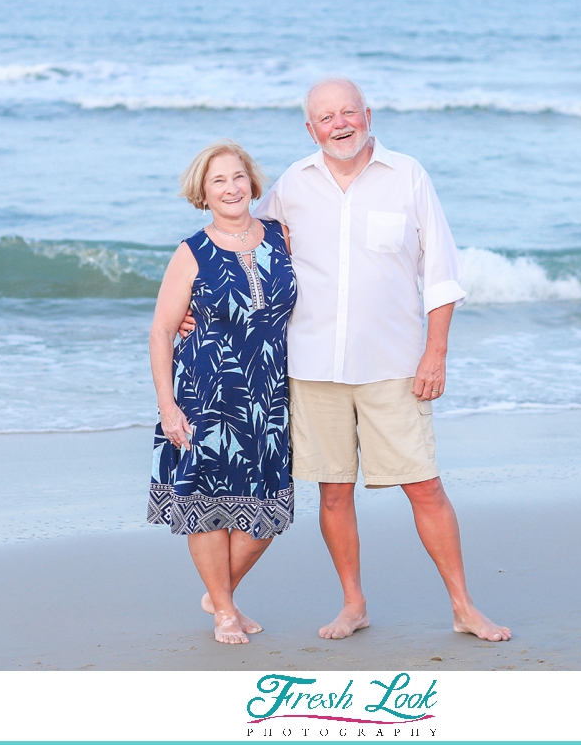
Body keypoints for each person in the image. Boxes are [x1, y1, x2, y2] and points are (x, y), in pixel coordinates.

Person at [187, 79, 510, 642]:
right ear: (310, 129)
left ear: (367, 115)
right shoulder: (292, 184)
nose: (339, 124)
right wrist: (192, 310)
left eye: (347, 112)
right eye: (325, 117)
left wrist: (436, 352)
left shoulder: (408, 176)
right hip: (312, 367)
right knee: (333, 493)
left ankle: (463, 606)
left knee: (425, 486)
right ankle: (353, 604)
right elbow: (240, 244)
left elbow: (441, 274)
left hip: (394, 364)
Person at [147, 140, 296, 645]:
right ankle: (225, 612)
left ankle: (220, 594)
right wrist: (168, 406)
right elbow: (162, 331)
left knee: (267, 514)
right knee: (208, 506)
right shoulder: (192, 251)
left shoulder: (282, 236)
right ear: (203, 192)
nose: (231, 188)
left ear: (253, 183)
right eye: (218, 181)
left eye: (238, 177)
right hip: (204, 397)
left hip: (271, 399)